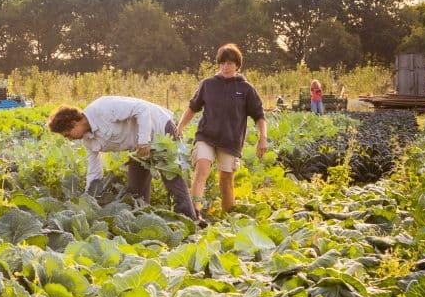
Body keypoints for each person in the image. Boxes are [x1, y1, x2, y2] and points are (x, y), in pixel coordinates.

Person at [48, 96, 198, 221]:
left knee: (173, 180)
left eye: (66, 134)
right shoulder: (88, 140)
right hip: (137, 147)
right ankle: (143, 221)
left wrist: (144, 140)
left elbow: (142, 109)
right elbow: (94, 171)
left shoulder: (102, 108)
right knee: (135, 189)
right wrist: (89, 199)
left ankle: (188, 222)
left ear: (73, 123)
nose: (68, 139)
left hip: (159, 129)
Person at [176, 43, 268, 217]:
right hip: (206, 136)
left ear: (237, 66)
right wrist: (180, 126)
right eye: (223, 63)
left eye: (230, 63)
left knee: (226, 180)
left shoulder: (246, 89)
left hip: (230, 141)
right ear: (219, 64)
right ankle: (194, 214)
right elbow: (192, 108)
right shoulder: (208, 84)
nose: (226, 67)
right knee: (202, 168)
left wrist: (263, 137)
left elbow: (259, 116)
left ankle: (228, 218)